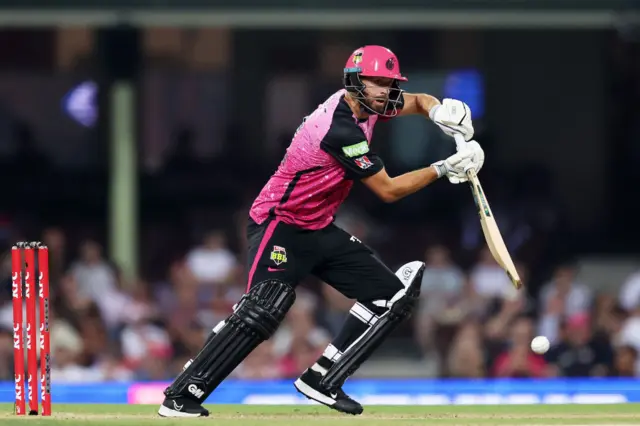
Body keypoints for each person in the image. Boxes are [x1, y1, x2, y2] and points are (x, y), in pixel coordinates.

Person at [158, 45, 484, 418]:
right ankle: (181, 396)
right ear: (355, 82)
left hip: (317, 226)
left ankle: (323, 379)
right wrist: (445, 167)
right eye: (378, 82)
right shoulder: (339, 128)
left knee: (390, 298)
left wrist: (442, 111)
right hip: (279, 222)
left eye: (390, 83)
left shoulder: (370, 102)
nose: (386, 90)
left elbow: (419, 100)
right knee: (264, 308)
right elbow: (388, 190)